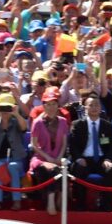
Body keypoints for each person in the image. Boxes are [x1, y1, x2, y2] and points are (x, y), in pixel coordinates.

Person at [68, 94, 112, 211]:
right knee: (79, 169)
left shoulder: (107, 125)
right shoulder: (77, 125)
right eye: (91, 105)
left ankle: (106, 204)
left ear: (101, 108)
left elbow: (111, 146)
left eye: (97, 105)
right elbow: (73, 146)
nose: (94, 108)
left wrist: (108, 159)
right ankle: (80, 204)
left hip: (101, 159)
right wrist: (78, 158)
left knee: (111, 170)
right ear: (85, 108)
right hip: (84, 159)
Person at [0, 92, 28, 210]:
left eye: (7, 107)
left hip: (15, 159)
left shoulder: (16, 122)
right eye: (3, 107)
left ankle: (16, 201)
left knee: (12, 167)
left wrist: (16, 114)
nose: (5, 111)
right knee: (0, 167)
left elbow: (24, 128)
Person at [30, 87, 68, 216]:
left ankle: (60, 198)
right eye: (48, 104)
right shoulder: (38, 122)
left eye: (54, 104)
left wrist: (60, 157)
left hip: (57, 157)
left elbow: (64, 143)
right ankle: (51, 201)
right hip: (40, 158)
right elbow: (34, 145)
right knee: (49, 169)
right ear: (44, 105)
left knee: (63, 169)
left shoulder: (63, 122)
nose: (51, 107)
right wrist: (48, 158)